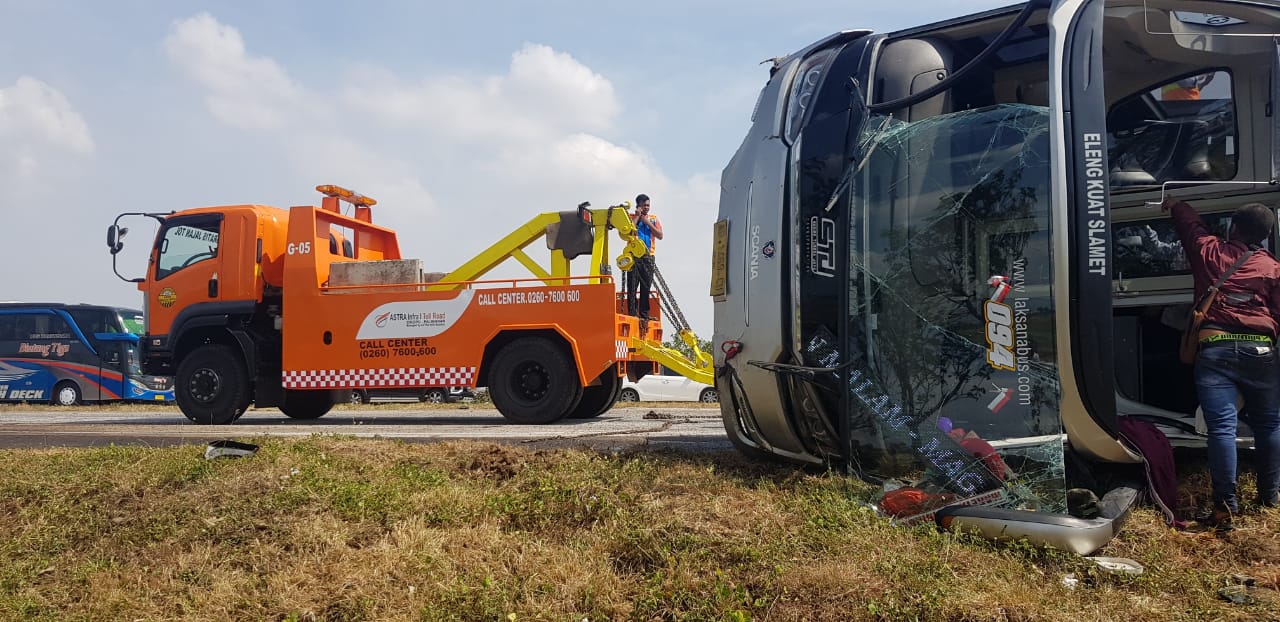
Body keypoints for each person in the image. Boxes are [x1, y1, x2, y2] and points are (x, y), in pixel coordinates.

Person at [1164, 196, 1280, 529]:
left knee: (1222, 430)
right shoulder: (1273, 268)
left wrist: (1177, 204)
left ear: (1233, 227)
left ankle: (1225, 508)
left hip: (1216, 350)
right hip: (1262, 352)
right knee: (1270, 425)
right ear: (1265, 235)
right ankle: (1270, 498)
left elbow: (1192, 229)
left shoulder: (1212, 253)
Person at [626, 193, 663, 319]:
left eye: (648, 205)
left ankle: (644, 315)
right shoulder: (631, 217)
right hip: (634, 256)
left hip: (648, 256)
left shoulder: (653, 218)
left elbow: (660, 235)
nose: (646, 207)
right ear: (638, 205)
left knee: (646, 287)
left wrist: (646, 222)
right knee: (632, 286)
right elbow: (628, 231)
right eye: (644, 205)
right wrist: (637, 216)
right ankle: (632, 313)